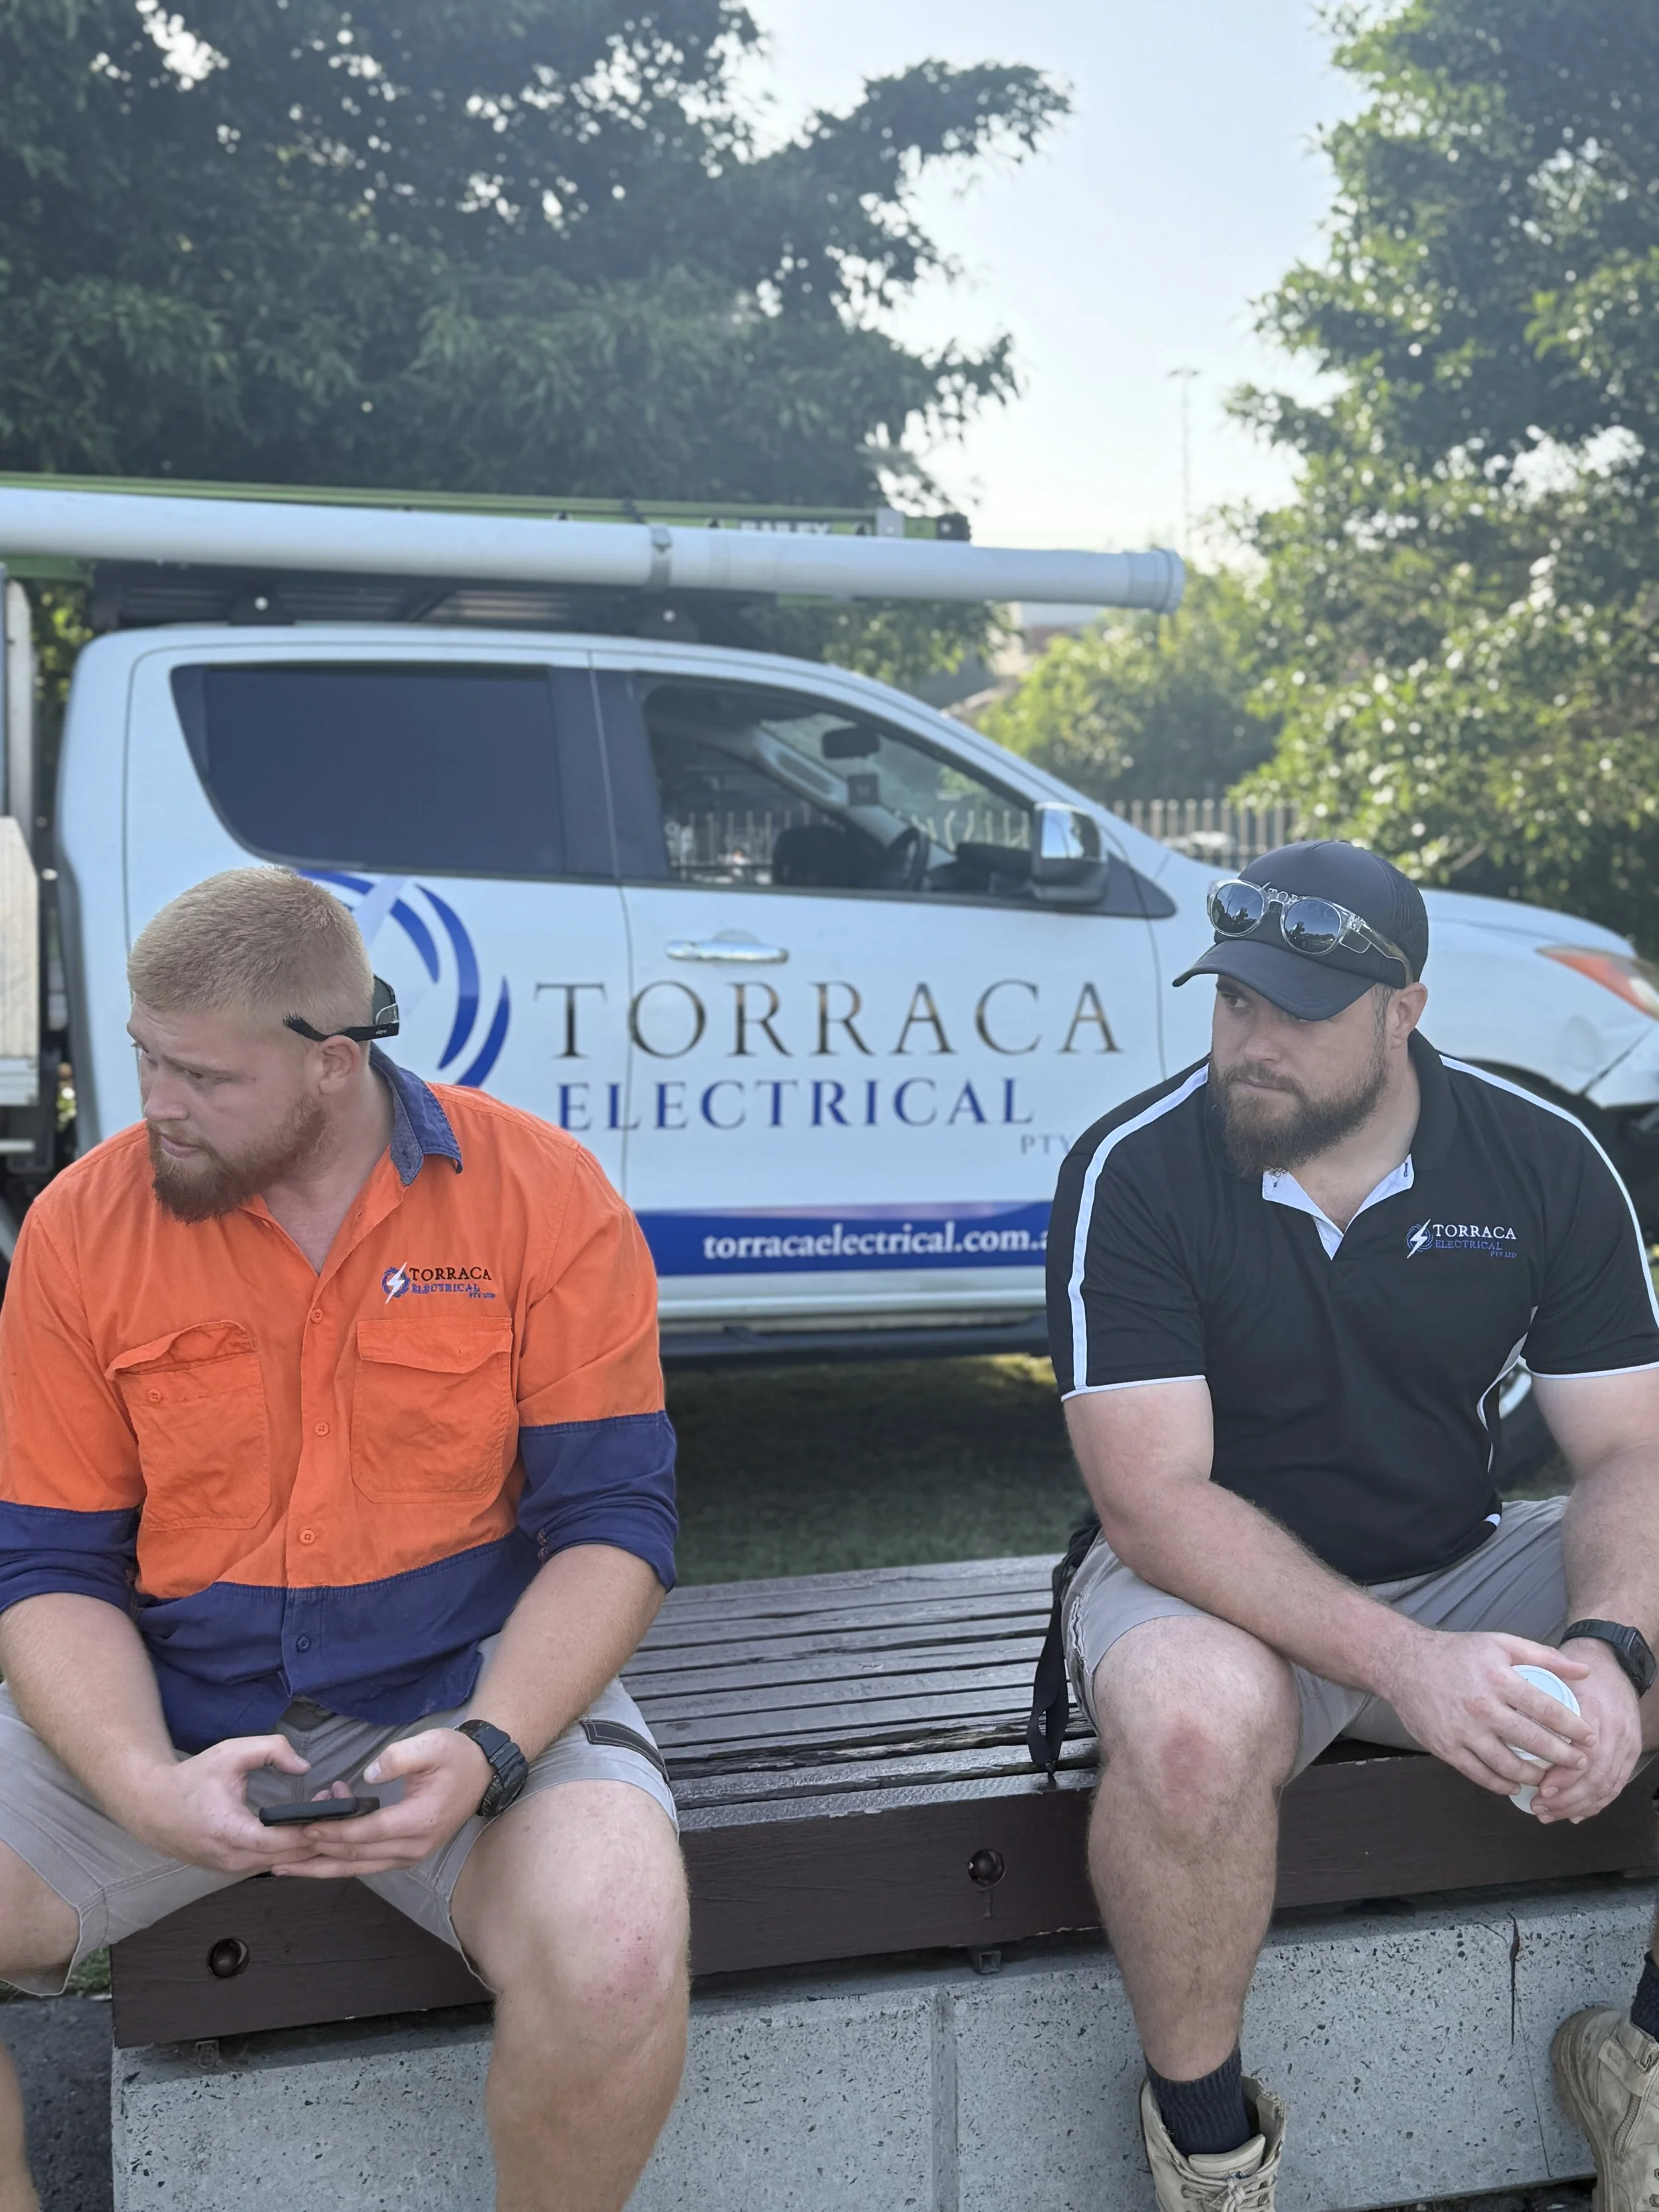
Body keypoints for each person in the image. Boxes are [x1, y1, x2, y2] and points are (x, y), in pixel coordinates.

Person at [0, 868, 687, 2212]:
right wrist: (145, 1783)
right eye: (144, 1054)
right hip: (175, 1706)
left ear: (329, 1061)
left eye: (202, 1074)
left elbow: (612, 1526)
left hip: (462, 1691)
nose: (155, 1104)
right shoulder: (84, 1226)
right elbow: (49, 1569)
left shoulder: (542, 1196)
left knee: (613, 1948)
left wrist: (492, 1746)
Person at [1039, 839, 1659, 2212]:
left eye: (1298, 1014)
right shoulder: (1133, 1169)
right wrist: (1406, 1666)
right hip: (1198, 1587)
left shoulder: (1540, 1158)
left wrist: (1611, 1648)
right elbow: (1152, 1502)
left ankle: (1639, 2069)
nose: (1251, 1043)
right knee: (1191, 1724)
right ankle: (1206, 2158)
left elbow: (1627, 1447)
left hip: (1448, 1563)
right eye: (1232, 1000)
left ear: (1404, 1014)